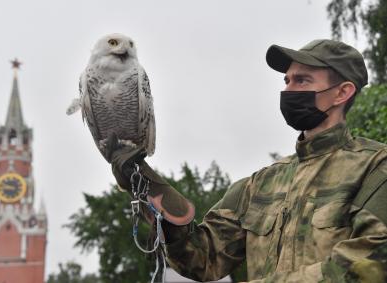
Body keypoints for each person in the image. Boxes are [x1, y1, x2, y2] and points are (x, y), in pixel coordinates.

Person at [104, 39, 387, 282]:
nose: (288, 91)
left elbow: (369, 263)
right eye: (286, 80)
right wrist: (146, 184)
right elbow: (202, 259)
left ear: (342, 92)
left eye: (302, 80)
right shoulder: (260, 184)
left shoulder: (375, 167)